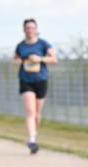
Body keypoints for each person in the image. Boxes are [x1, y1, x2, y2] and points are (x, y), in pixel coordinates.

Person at [13, 18, 57, 154]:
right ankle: (31, 140)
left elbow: (55, 59)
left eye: (32, 27)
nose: (30, 30)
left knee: (37, 114)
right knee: (30, 112)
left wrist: (40, 59)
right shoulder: (20, 46)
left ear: (36, 29)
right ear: (24, 30)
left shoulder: (43, 44)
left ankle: (34, 133)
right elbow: (14, 60)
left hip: (41, 80)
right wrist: (22, 60)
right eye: (27, 28)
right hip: (26, 80)